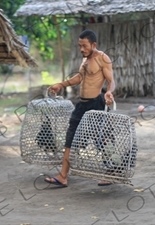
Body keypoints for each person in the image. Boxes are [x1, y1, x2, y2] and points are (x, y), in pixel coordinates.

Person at [45, 30, 115, 187]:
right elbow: (79, 78)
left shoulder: (102, 58)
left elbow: (111, 80)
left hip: (96, 104)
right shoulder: (84, 61)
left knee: (103, 139)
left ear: (93, 44)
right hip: (81, 105)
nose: (82, 49)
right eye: (79, 46)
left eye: (84, 46)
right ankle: (63, 176)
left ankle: (111, 172)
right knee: (70, 138)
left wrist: (109, 92)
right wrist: (61, 85)